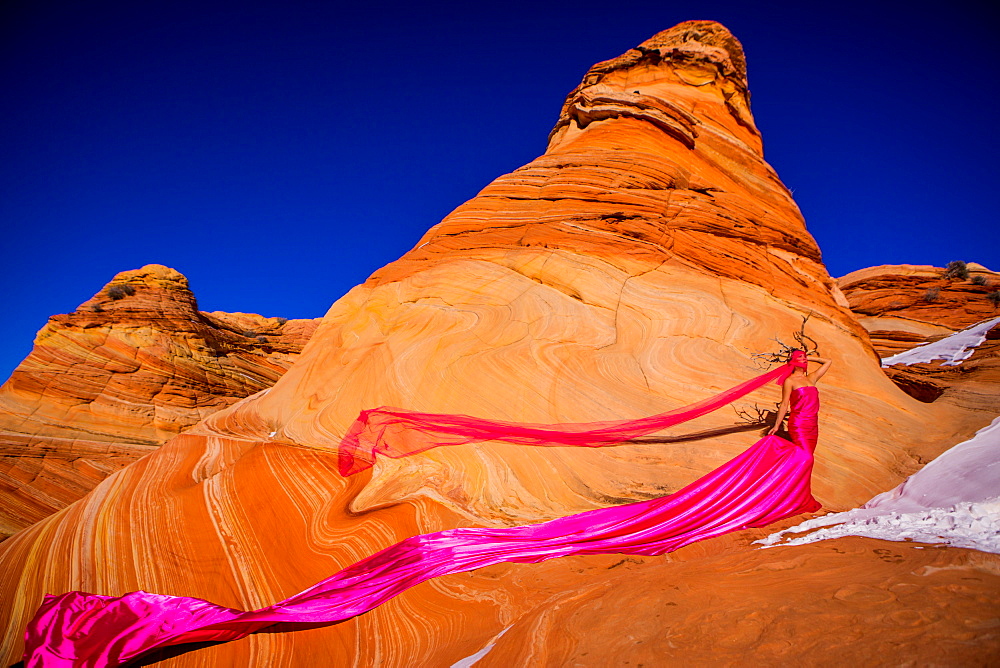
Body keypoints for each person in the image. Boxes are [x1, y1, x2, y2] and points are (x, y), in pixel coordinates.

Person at [767, 350, 832, 453]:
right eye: (800, 357)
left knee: (808, 454)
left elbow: (828, 361)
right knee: (806, 456)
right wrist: (777, 425)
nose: (804, 359)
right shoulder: (789, 381)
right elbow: (784, 404)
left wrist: (809, 358)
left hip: (813, 424)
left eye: (804, 357)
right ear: (793, 360)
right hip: (799, 423)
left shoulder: (811, 378)